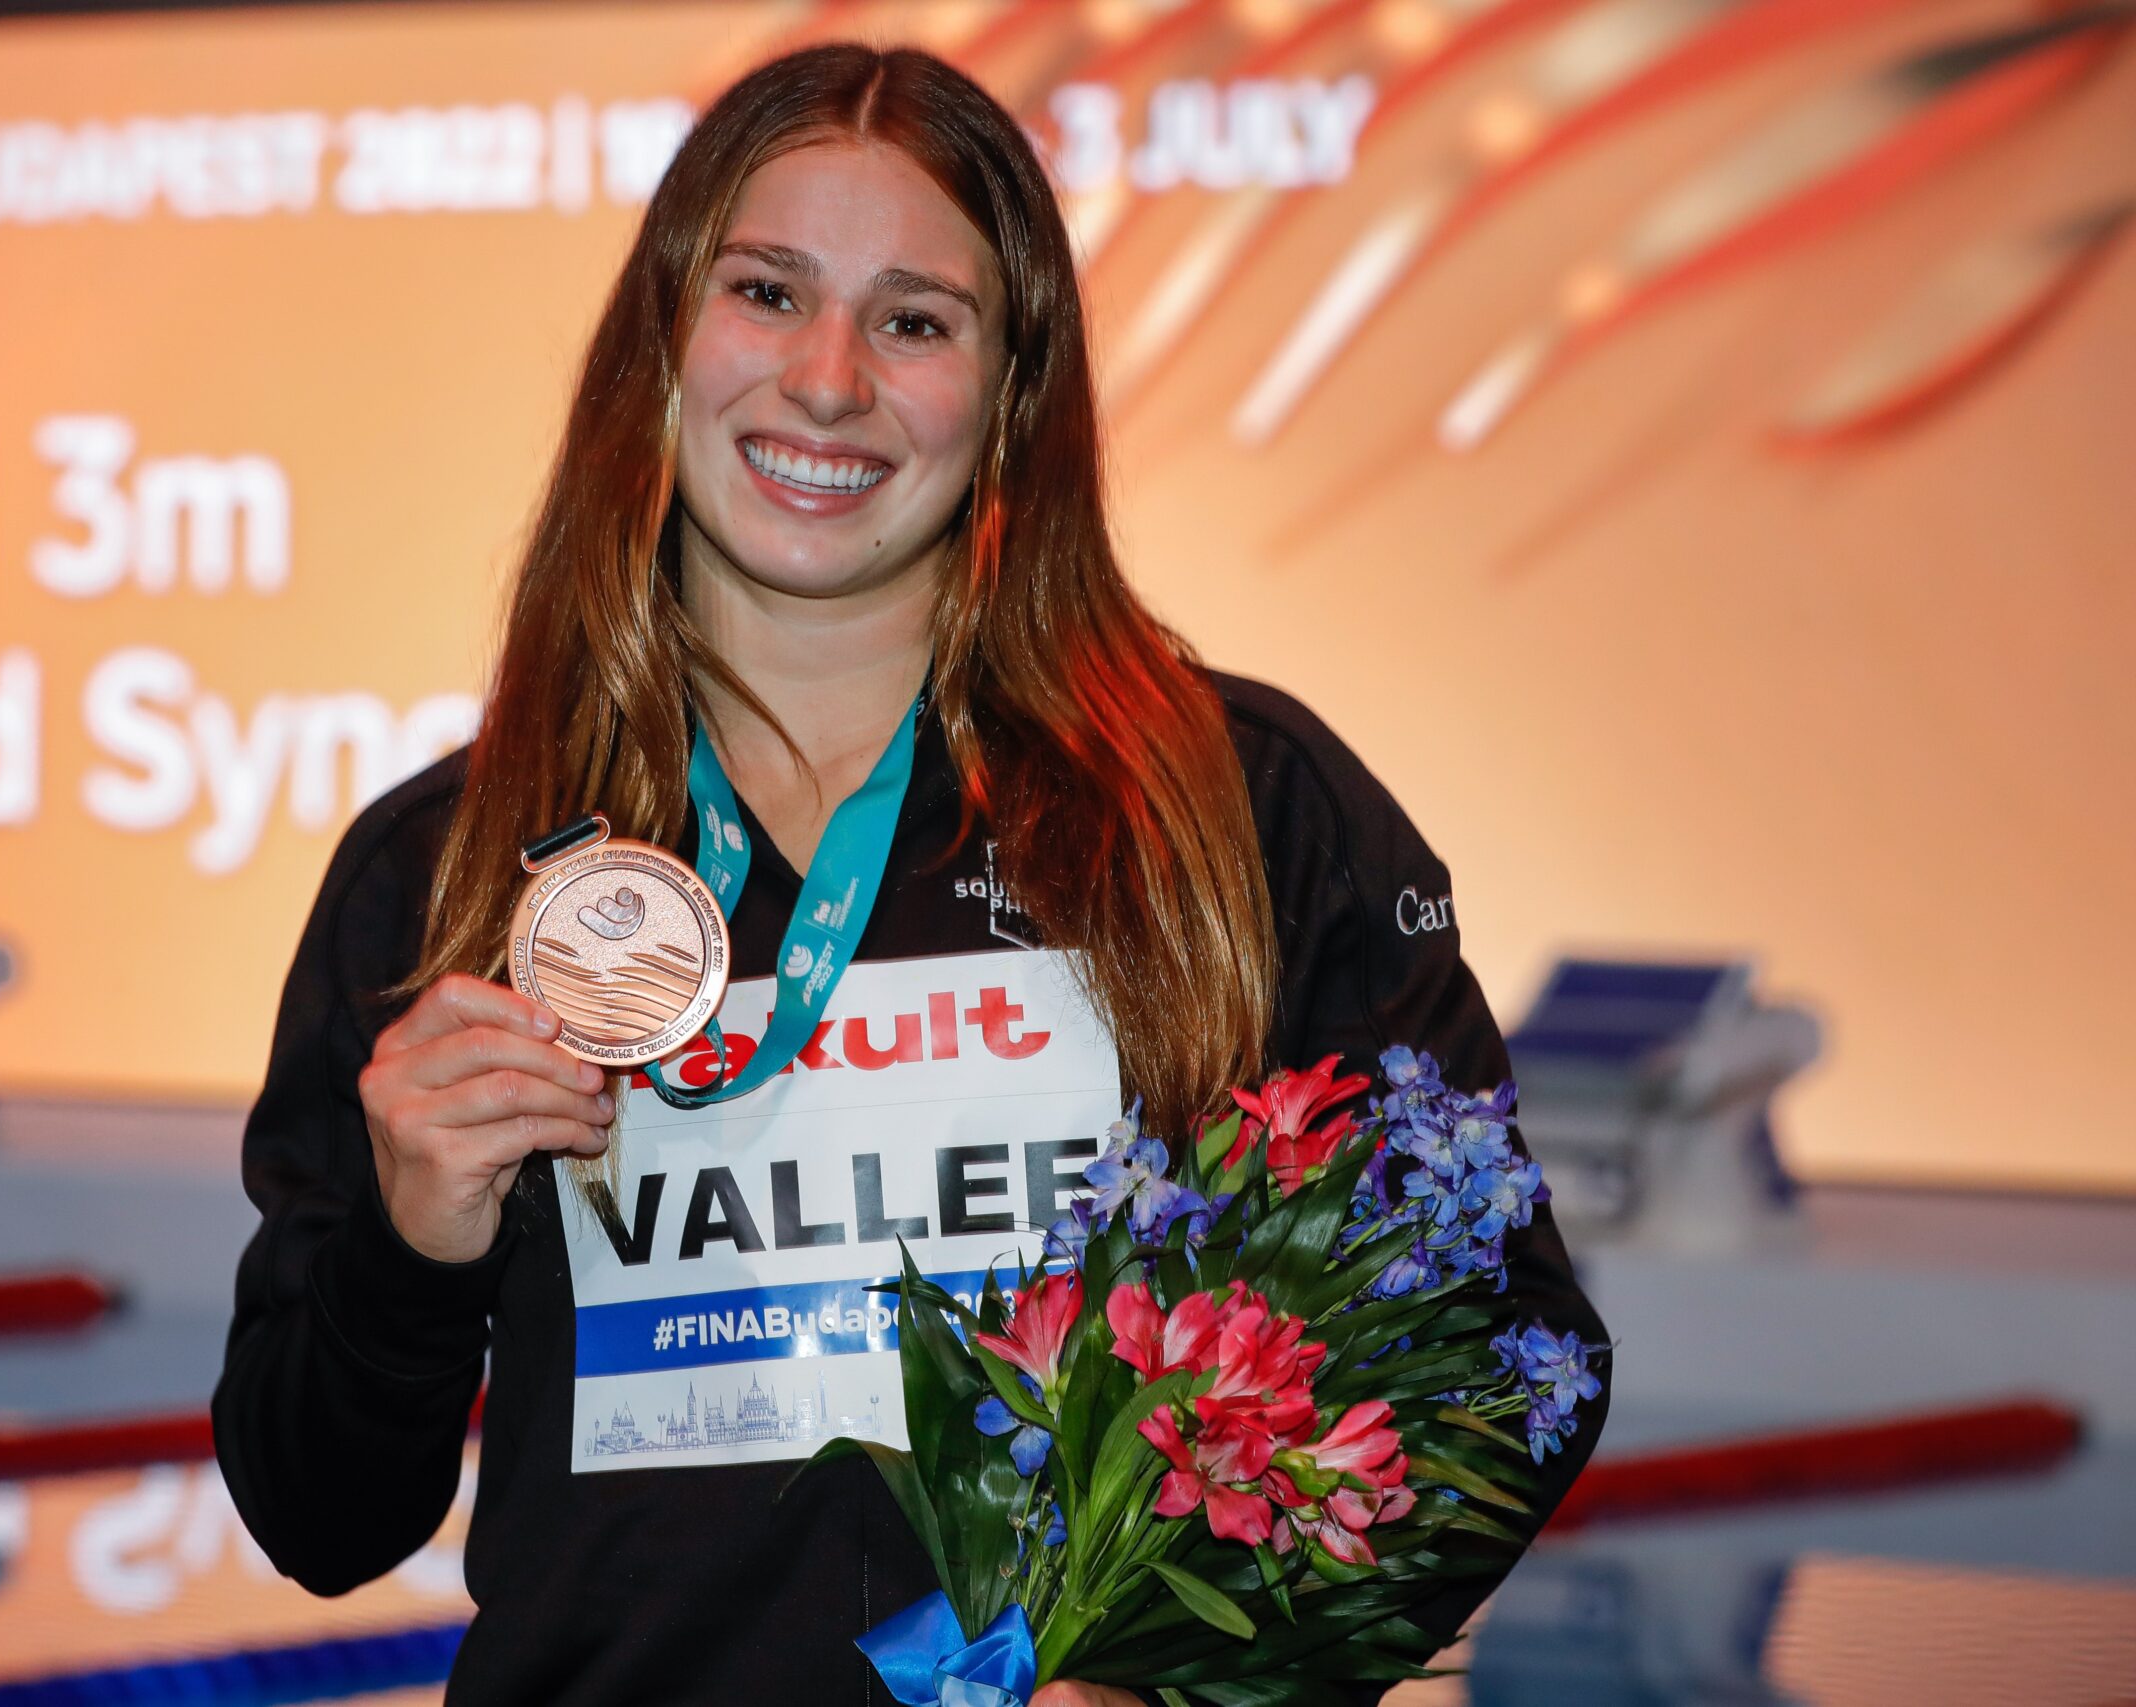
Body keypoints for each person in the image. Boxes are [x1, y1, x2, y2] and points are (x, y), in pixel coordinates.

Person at [211, 41, 1606, 1707]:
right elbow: (318, 1518)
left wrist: (1197, 1694)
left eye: (916, 321)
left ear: (1013, 389)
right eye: (767, 293)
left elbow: (1506, 1368)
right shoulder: (451, 866)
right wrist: (406, 1251)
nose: (827, 382)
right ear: (664, 339)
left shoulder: (1235, 813)